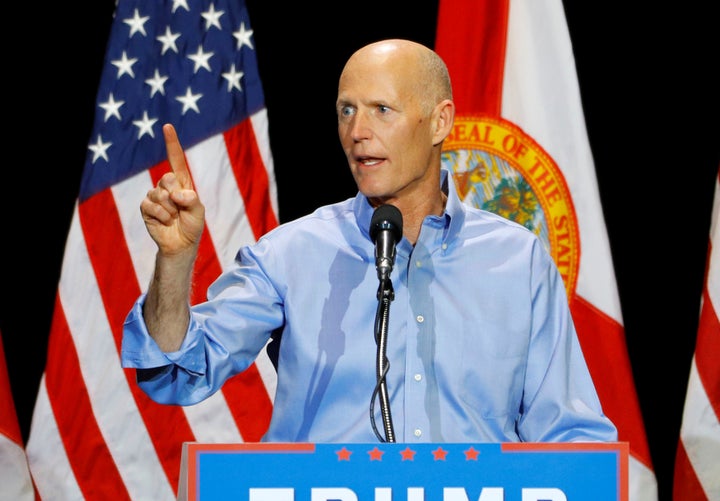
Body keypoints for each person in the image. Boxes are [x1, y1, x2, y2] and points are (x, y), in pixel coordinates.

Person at [121, 38, 617, 444]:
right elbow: (176, 369)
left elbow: (571, 436)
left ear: (440, 121)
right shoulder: (289, 255)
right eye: (346, 111)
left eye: (382, 109)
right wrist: (175, 261)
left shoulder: (518, 261)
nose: (357, 131)